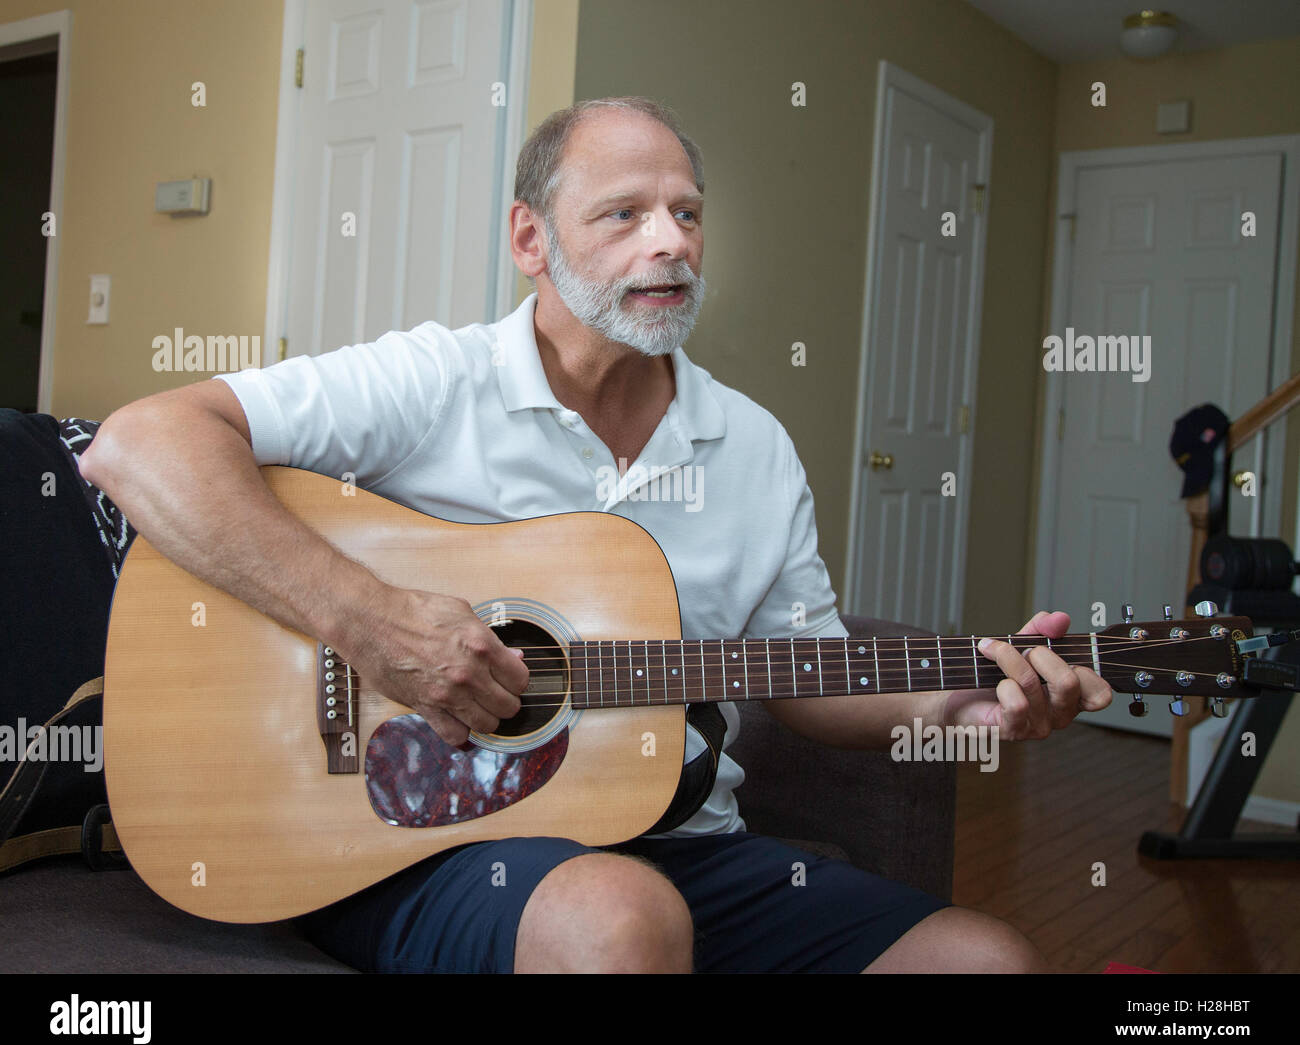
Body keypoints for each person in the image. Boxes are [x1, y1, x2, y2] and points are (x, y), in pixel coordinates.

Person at [81, 96, 1113, 973]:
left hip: (686, 843)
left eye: (687, 213)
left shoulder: (750, 445)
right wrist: (372, 620)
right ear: (532, 239)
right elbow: (140, 443)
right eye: (623, 213)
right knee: (622, 918)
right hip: (417, 836)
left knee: (986, 960)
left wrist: (963, 703)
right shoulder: (435, 381)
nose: (669, 240)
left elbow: (809, 673)